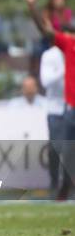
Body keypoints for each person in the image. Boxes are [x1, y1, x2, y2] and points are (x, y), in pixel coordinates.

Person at [24, 0, 75, 198]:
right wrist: (33, 6)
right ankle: (62, 185)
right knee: (66, 149)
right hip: (69, 107)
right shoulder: (68, 45)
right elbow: (46, 31)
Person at [40, 45, 68, 197]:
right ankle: (54, 183)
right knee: (56, 147)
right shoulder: (50, 55)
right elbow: (46, 82)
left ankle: (68, 185)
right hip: (55, 108)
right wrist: (66, 68)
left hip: (72, 107)